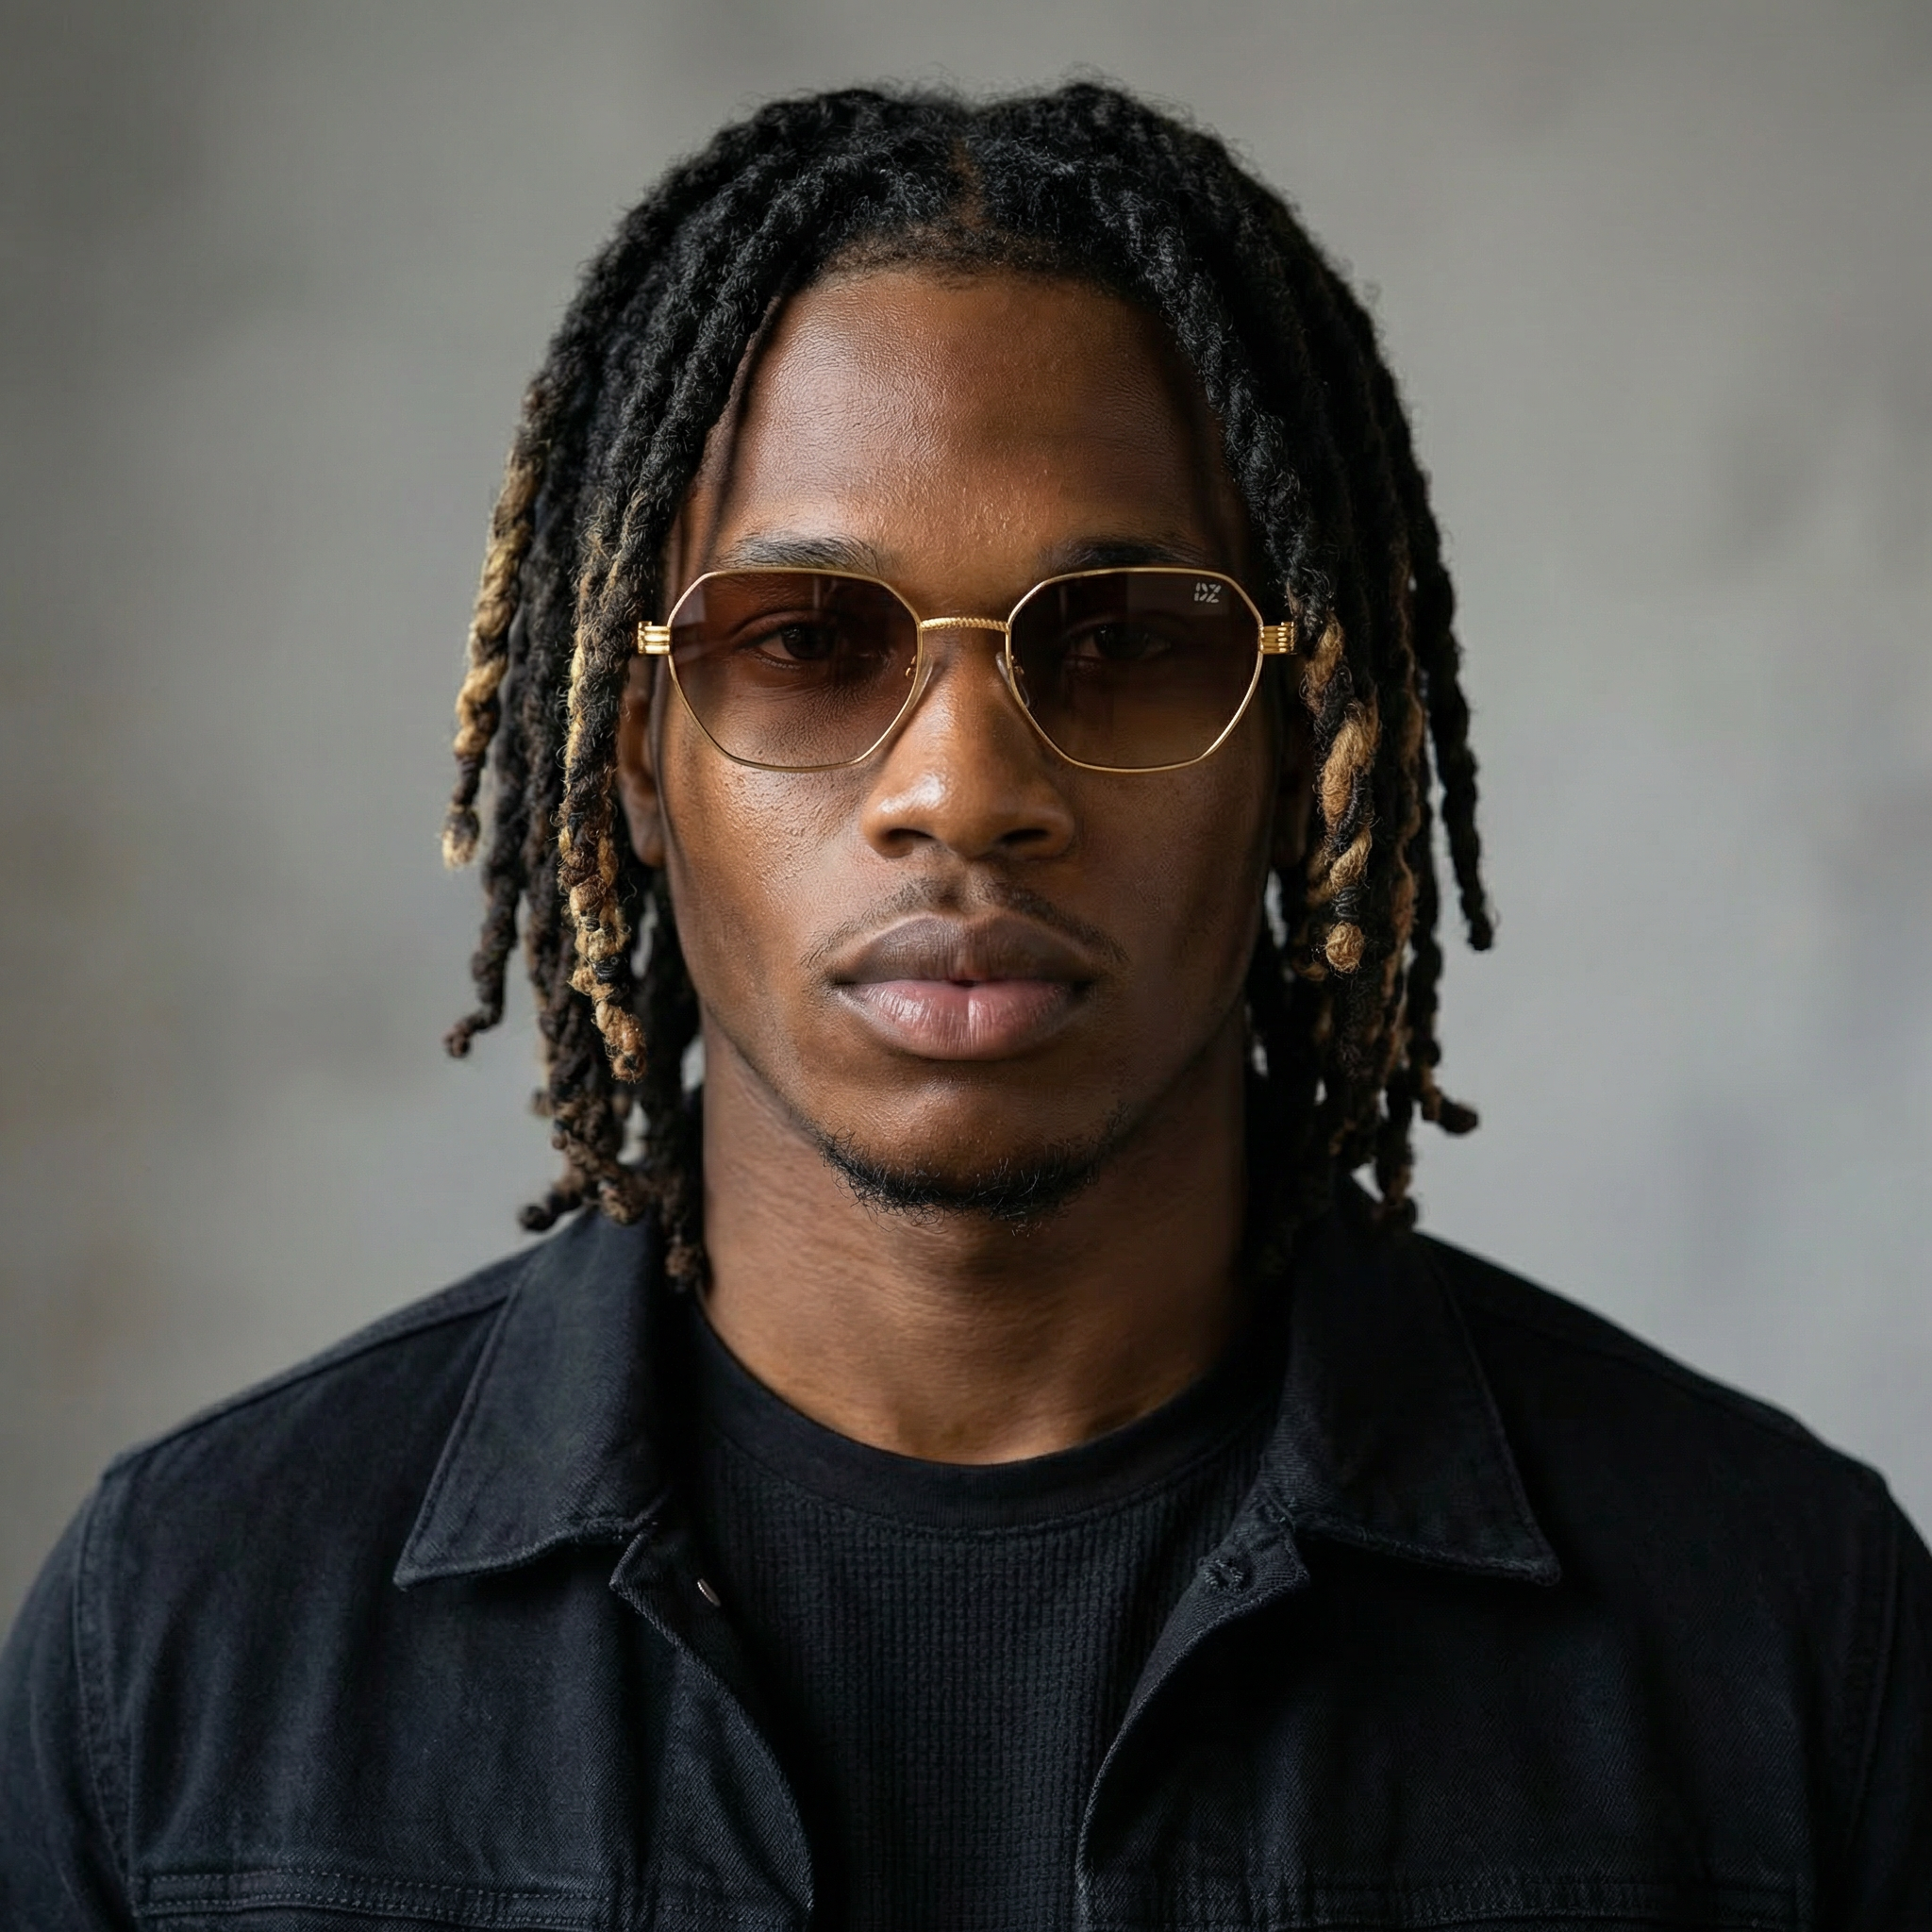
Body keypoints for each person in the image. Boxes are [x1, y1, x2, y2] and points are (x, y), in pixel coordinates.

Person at [3, 81, 1926, 1931]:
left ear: (1304, 756)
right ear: (632, 763)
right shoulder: (181, 1635)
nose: (963, 784)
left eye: (1124, 641)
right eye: (808, 642)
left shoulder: (1776, 1625)